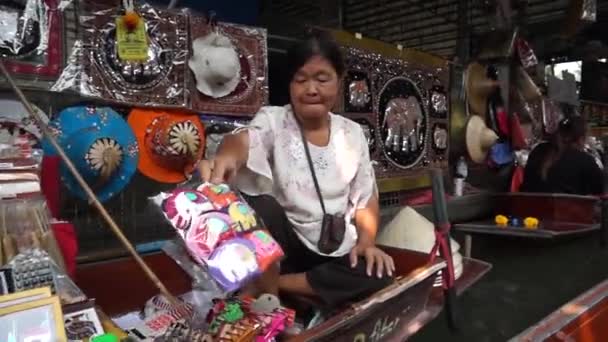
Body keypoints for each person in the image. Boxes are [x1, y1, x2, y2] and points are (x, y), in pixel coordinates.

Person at [198, 31, 394, 309]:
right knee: (261, 206)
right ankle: (301, 288)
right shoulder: (274, 120)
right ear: (290, 84)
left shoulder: (352, 133)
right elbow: (243, 140)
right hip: (283, 250)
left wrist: (367, 242)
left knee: (379, 272)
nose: (311, 89)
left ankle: (273, 287)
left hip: (336, 248)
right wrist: (227, 158)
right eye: (301, 80)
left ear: (339, 81)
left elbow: (365, 197)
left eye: (322, 79)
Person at [520, 116, 603, 195]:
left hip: (529, 208)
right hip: (570, 208)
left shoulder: (538, 151)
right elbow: (599, 192)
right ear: (581, 139)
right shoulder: (586, 160)